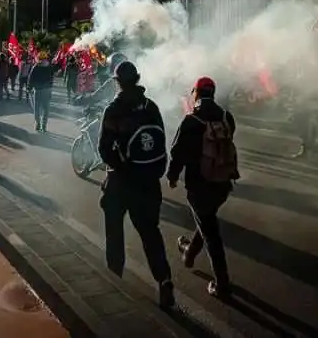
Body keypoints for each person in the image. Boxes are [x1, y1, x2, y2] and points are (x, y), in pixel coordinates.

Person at [97, 60, 174, 309]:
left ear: (118, 82)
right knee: (151, 233)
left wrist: (118, 166)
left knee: (114, 232)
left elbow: (104, 149)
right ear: (137, 79)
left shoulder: (114, 110)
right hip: (149, 183)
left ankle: (114, 281)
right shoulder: (151, 107)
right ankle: (164, 280)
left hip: (121, 182)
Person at [167, 76, 238, 298]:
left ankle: (223, 285)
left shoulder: (192, 121)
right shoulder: (227, 117)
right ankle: (189, 252)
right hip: (223, 184)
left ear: (196, 93)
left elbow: (176, 152)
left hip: (199, 186)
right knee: (205, 220)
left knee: (211, 233)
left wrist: (172, 175)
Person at [28, 50, 55, 132]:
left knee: (36, 108)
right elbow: (52, 78)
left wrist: (29, 88)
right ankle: (44, 126)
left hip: (38, 90)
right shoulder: (50, 67)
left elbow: (31, 78)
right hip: (47, 90)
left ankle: (38, 123)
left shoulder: (36, 67)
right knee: (46, 109)